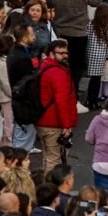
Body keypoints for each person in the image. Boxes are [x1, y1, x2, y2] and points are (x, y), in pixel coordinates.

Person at [36, 40, 78, 173]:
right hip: (53, 123)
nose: (65, 55)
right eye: (61, 53)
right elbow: (62, 101)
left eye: (66, 52)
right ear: (51, 54)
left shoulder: (43, 66)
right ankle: (50, 190)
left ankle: (45, 186)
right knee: (54, 160)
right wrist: (66, 125)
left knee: (47, 156)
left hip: (42, 120)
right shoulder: (57, 73)